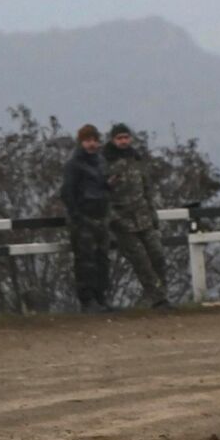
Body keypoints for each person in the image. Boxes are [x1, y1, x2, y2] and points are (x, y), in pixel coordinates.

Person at [102, 123, 171, 309]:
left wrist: (153, 213)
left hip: (144, 218)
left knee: (158, 255)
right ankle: (156, 299)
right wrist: (114, 219)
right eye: (119, 138)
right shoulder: (104, 162)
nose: (123, 141)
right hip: (122, 222)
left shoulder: (136, 159)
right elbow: (101, 195)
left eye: (126, 137)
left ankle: (162, 294)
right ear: (112, 140)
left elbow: (146, 187)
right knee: (141, 261)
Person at [59, 124, 112, 312]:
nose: (92, 144)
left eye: (94, 140)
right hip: (83, 220)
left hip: (100, 217)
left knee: (102, 260)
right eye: (88, 140)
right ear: (81, 142)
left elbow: (102, 187)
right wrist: (76, 216)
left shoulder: (100, 162)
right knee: (85, 261)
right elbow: (67, 192)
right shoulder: (73, 165)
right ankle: (87, 300)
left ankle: (101, 298)